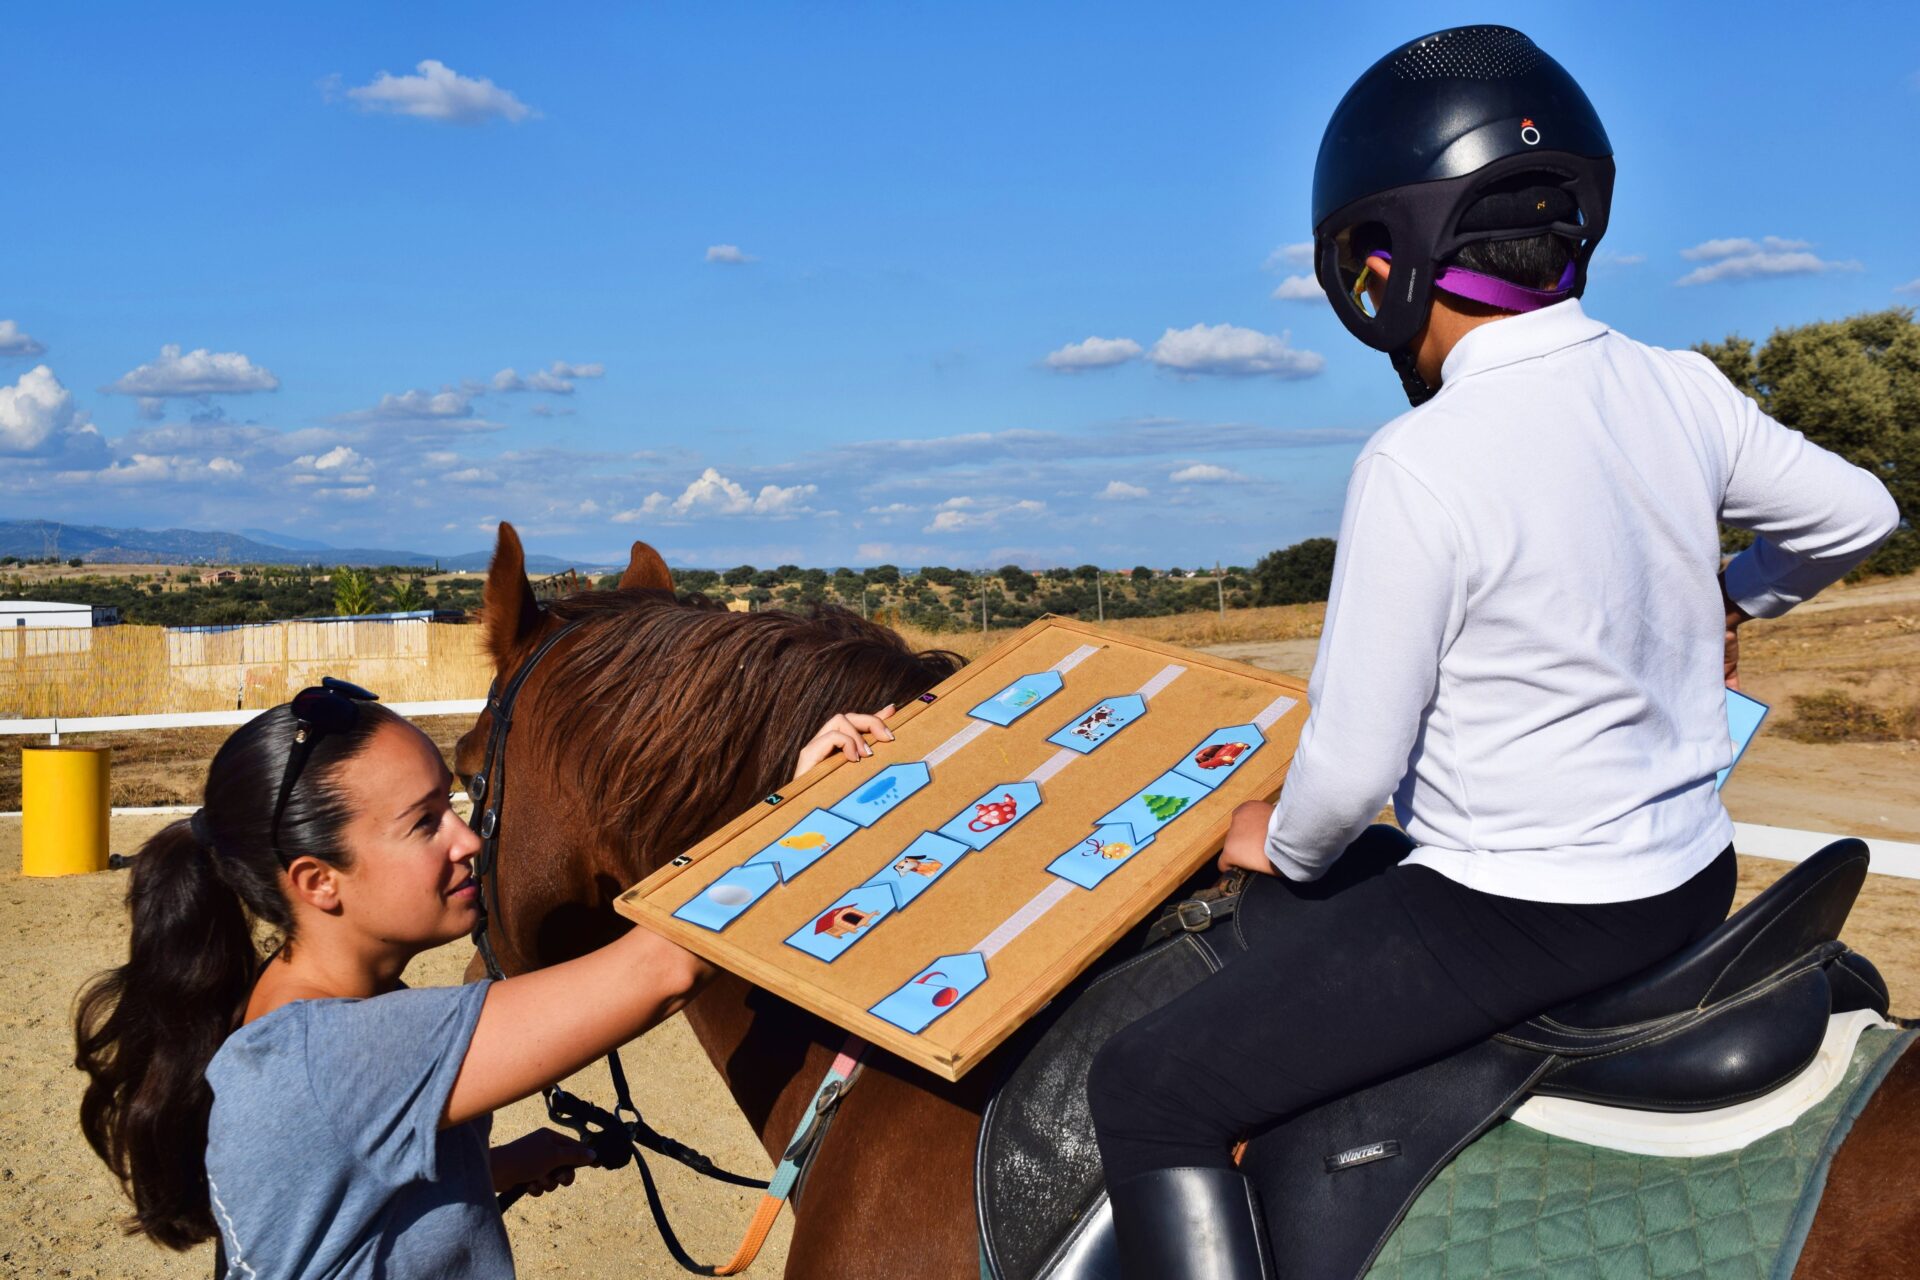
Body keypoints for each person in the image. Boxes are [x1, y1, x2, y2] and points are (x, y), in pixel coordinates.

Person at [1085, 24, 1901, 1280]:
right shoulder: (1678, 386)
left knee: (1149, 1084)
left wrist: (1278, 839)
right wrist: (1737, 588)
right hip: (1685, 879)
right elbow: (1858, 514)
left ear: (1383, 260)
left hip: (1512, 911)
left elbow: (1353, 771)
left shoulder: (1421, 461)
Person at [74, 677, 893, 1279]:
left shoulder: (289, 1013)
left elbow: (338, 1198)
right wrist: (799, 802)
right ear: (319, 882)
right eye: (423, 824)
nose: (466, 842)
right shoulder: (343, 1052)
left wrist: (494, 1167)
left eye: (452, 806)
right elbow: (665, 968)